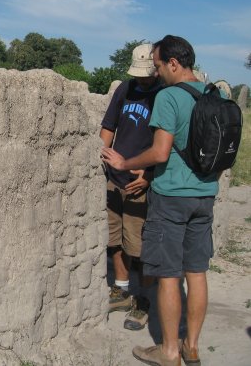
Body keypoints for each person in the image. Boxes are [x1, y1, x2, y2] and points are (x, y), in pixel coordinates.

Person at [101, 34, 218, 366]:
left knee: (167, 274)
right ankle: (191, 346)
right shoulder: (214, 93)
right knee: (196, 272)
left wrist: (126, 164)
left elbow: (160, 150)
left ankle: (168, 351)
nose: (156, 72)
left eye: (157, 66)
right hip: (204, 195)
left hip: (172, 196)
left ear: (173, 63)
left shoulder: (169, 96)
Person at [100, 43, 162, 330]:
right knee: (115, 240)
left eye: (147, 74)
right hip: (115, 178)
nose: (143, 79)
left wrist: (149, 174)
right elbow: (108, 128)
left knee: (140, 248)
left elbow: (167, 146)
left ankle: (143, 300)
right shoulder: (125, 89)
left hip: (141, 183)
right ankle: (122, 291)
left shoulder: (164, 94)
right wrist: (101, 156)